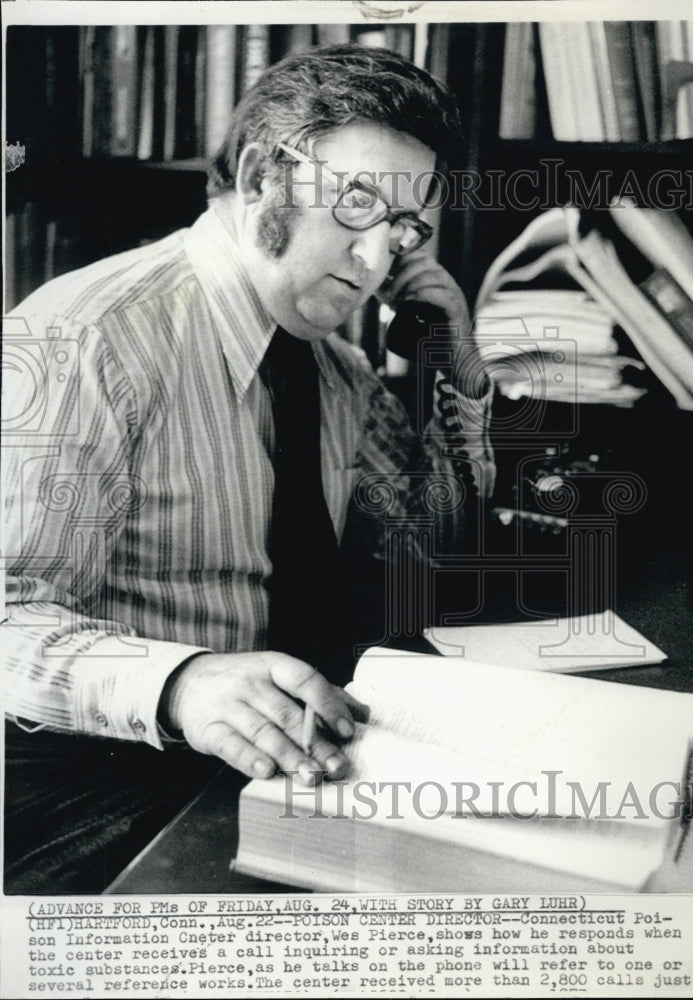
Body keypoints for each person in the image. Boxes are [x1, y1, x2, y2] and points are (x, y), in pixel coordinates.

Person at [3, 43, 495, 892]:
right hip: (103, 775)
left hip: (280, 761)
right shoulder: (86, 340)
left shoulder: (338, 372)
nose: (378, 261)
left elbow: (435, 550)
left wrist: (457, 362)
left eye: (405, 230)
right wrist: (180, 685)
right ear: (267, 175)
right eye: (357, 203)